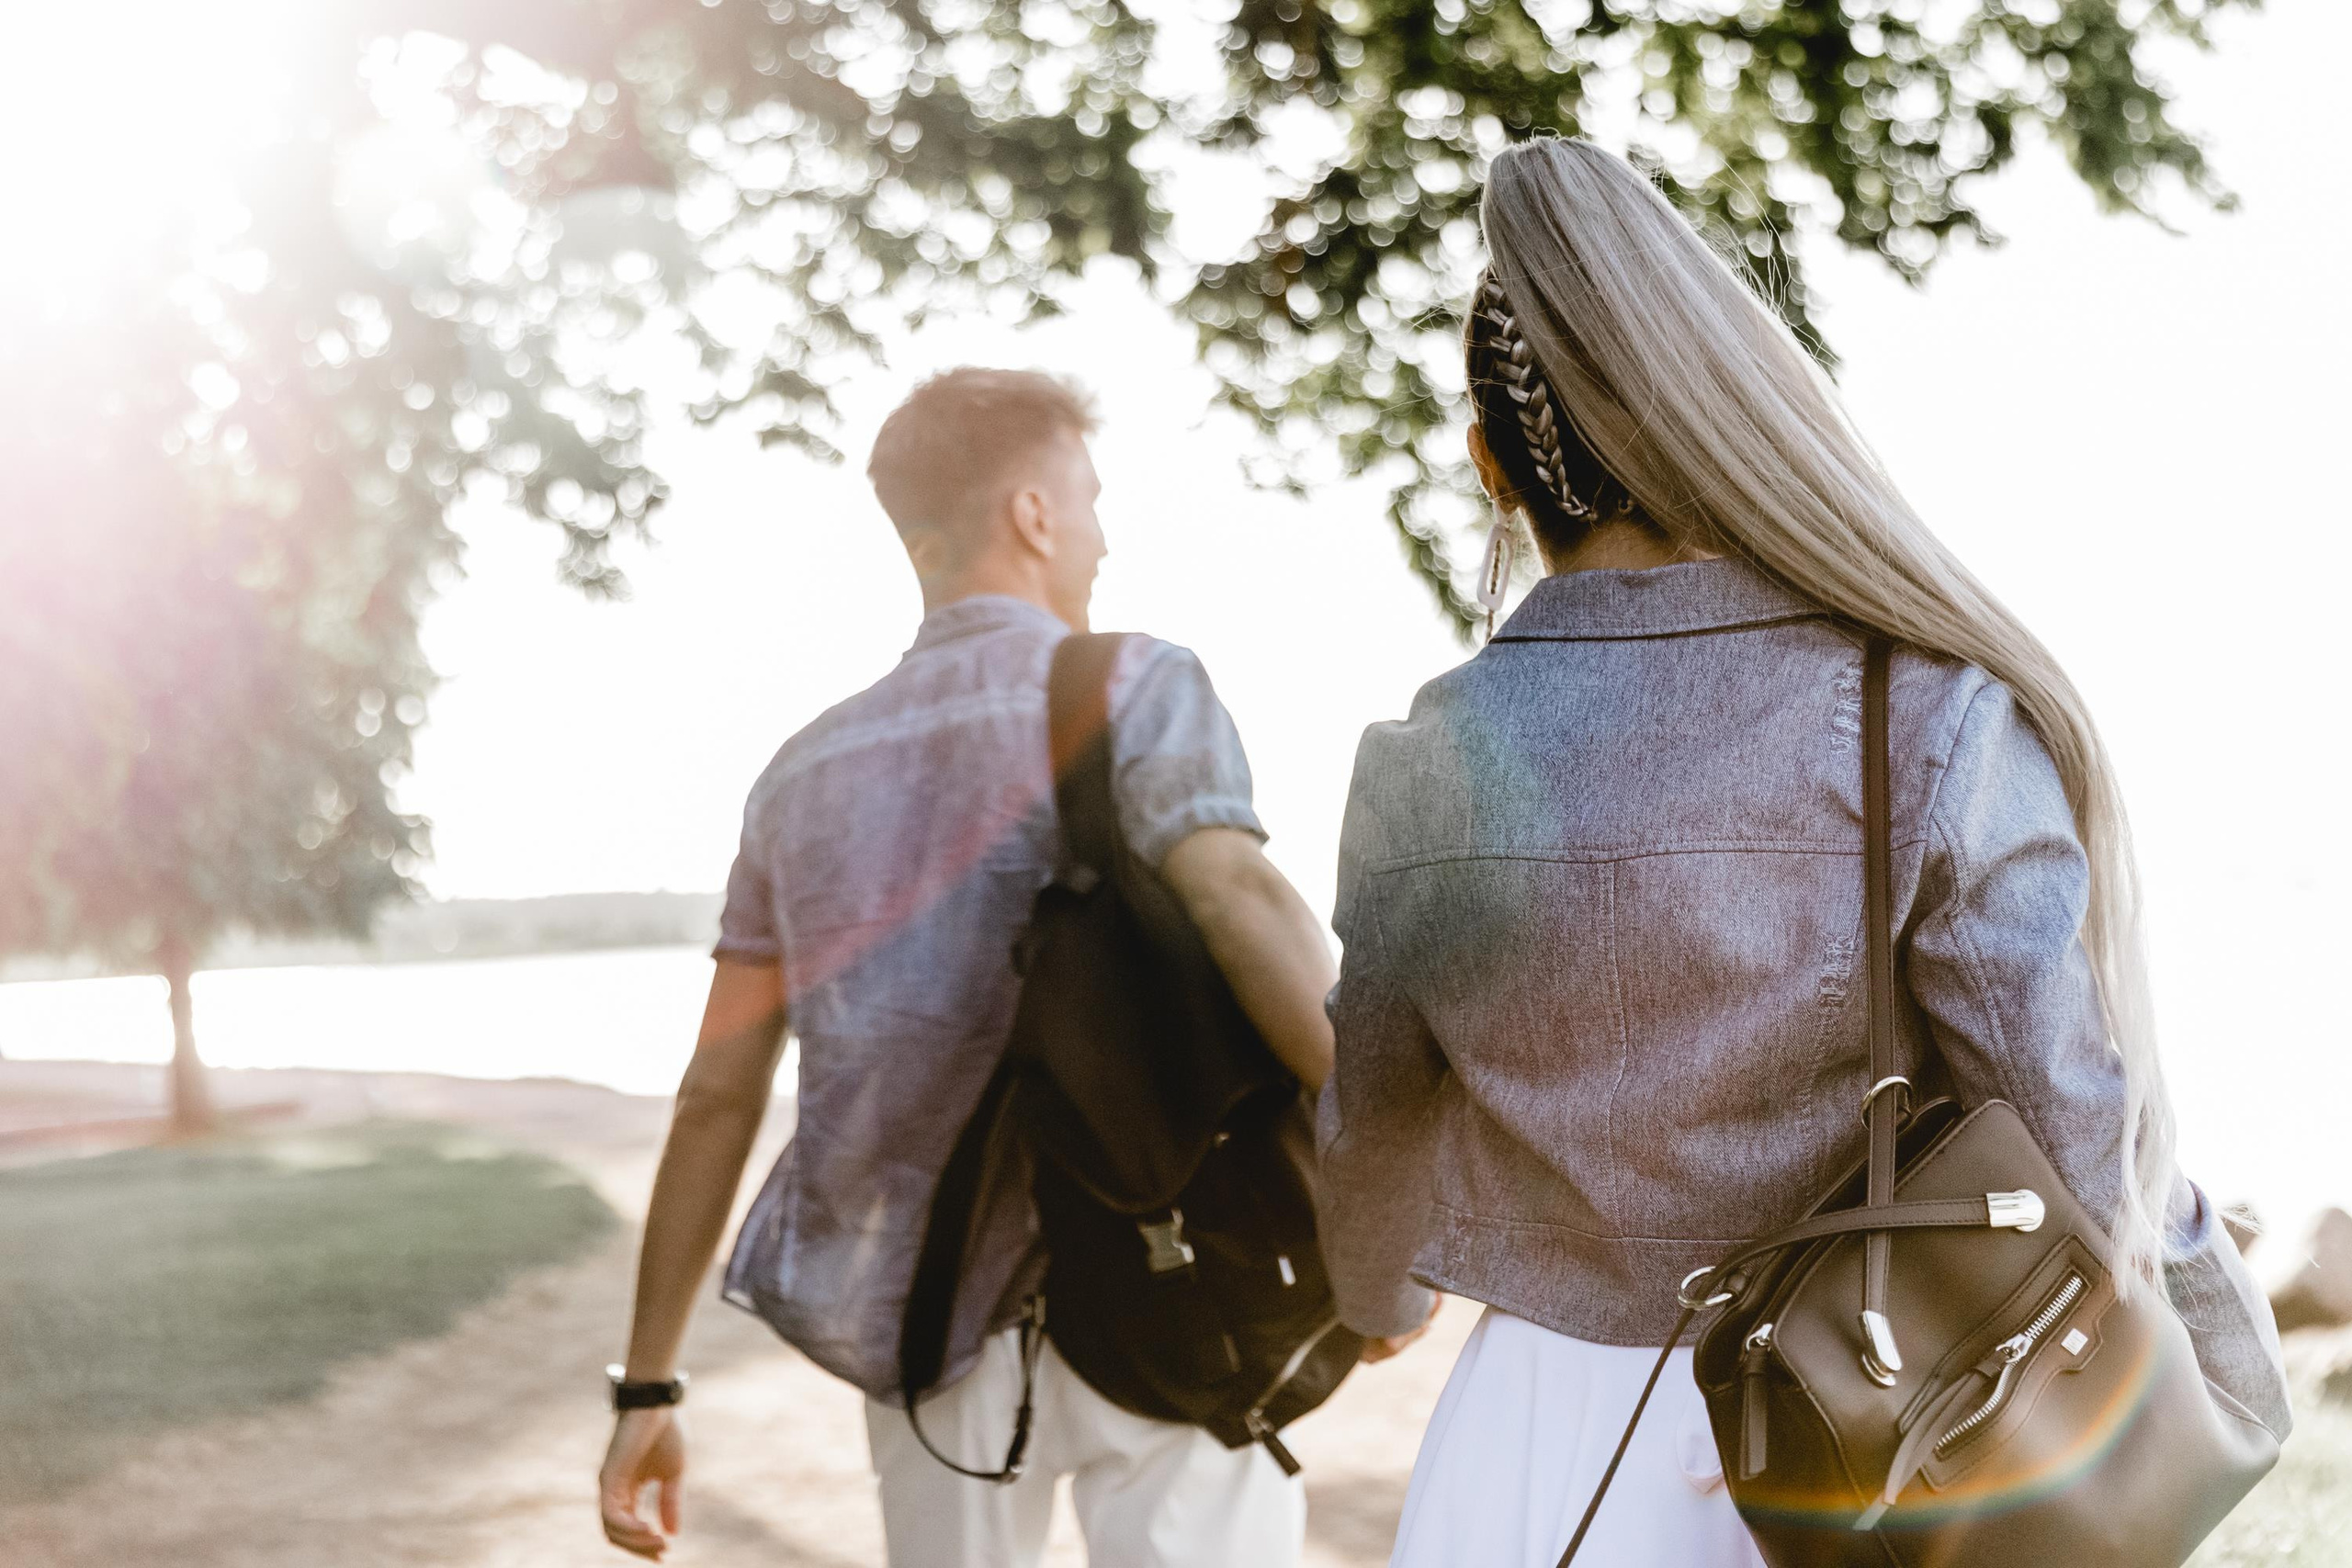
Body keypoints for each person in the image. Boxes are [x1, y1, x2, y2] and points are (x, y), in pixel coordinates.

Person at [1311, 139, 2292, 1567]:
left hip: (1514, 1462)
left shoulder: (1421, 764)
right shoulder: (1926, 717)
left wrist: (1375, 1303)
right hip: (1836, 1450)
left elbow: (1371, 1157)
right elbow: (2075, 1132)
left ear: (1493, 470)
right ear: (1716, 420)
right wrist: (2222, 1337)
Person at [595, 368, 1401, 1568]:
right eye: (1088, 499)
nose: (1101, 535)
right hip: (1164, 1284)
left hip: (929, 1326)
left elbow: (718, 1095)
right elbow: (1236, 896)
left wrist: (649, 1392)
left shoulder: (796, 778)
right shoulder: (1133, 684)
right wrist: (1393, 1178)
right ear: (1033, 513)